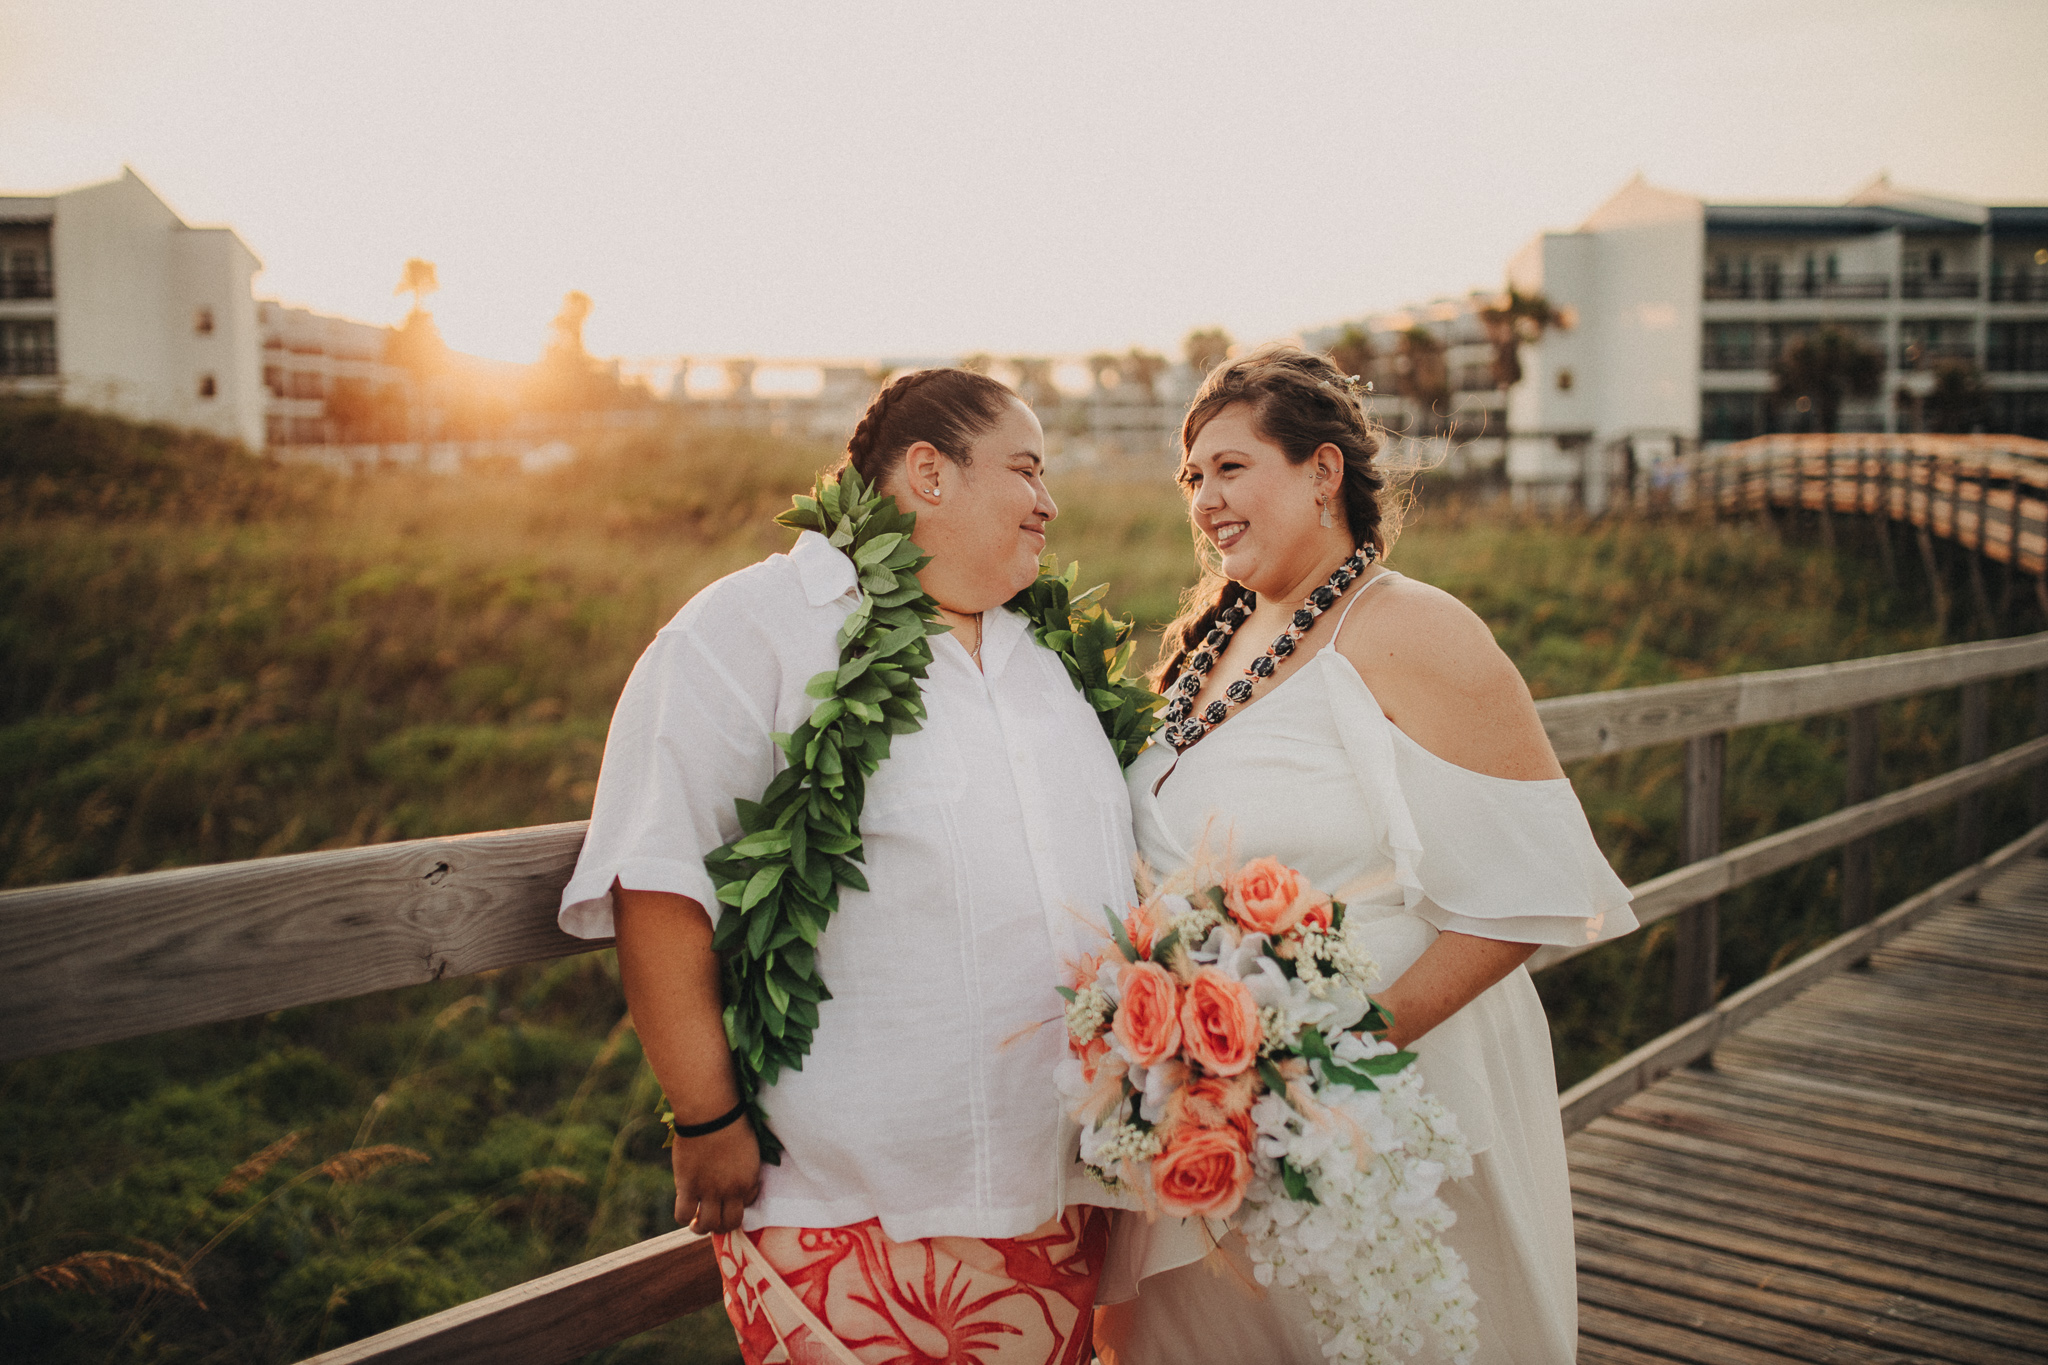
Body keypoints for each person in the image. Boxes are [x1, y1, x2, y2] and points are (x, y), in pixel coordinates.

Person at [557, 368, 1139, 1365]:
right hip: (849, 1200)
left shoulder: (1041, 656)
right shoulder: (748, 630)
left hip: (1058, 1191)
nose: (1048, 500)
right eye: (1025, 469)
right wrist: (705, 1113)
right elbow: (658, 877)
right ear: (927, 474)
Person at [1092, 346, 1635, 1365]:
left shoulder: (1409, 629)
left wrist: (1324, 1053)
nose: (1203, 499)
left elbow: (1531, 891)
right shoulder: (1209, 639)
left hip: (1378, 1107)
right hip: (1204, 1110)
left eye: (1229, 468)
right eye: (1190, 479)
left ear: (1322, 471)